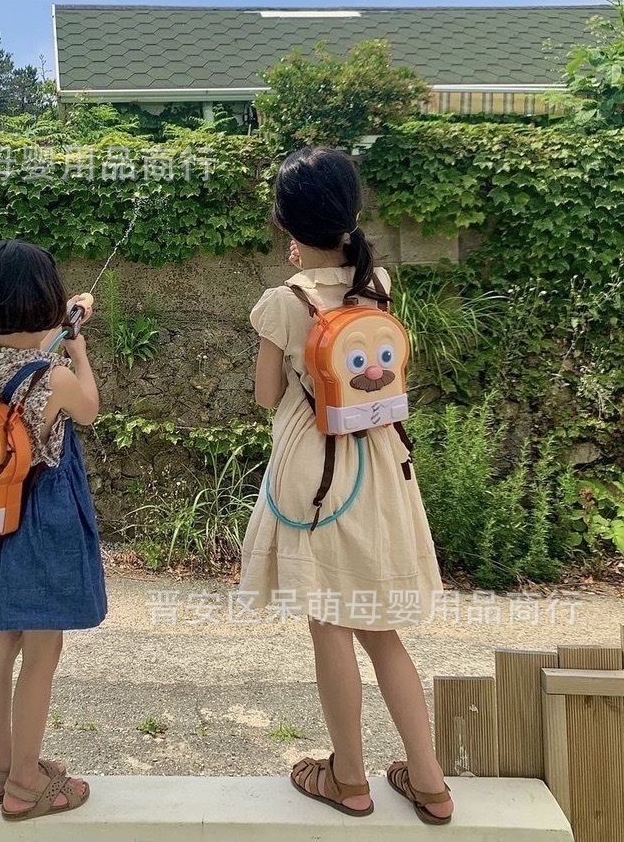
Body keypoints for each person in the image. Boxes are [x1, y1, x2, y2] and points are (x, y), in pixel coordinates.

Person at [240, 148, 454, 826]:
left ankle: (349, 778)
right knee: (380, 628)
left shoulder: (284, 301)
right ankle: (429, 783)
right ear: (351, 212)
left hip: (316, 473)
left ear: (285, 223)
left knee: (329, 622)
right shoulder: (377, 283)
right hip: (380, 466)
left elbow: (266, 395)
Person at [0, 239, 107, 821]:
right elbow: (87, 407)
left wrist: (63, 326)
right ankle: (25, 784)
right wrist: (78, 350)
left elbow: (25, 355)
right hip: (41, 523)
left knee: (0, 644)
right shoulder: (57, 376)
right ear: (44, 298)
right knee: (43, 647)